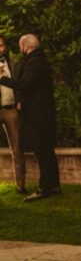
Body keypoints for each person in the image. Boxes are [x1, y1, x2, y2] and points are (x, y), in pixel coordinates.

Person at [0, 34, 60, 201]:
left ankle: (44, 188)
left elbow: (25, 84)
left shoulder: (34, 63)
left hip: (38, 114)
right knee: (47, 150)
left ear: (25, 47)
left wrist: (3, 79)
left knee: (42, 150)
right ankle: (53, 185)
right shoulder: (39, 60)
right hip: (43, 112)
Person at [0, 35, 26, 194]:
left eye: (1, 45)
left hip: (11, 110)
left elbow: (22, 85)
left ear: (5, 47)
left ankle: (21, 185)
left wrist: (20, 101)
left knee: (17, 148)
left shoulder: (14, 65)